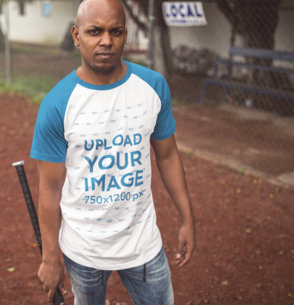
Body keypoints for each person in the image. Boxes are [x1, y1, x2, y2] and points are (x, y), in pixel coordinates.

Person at [30, 0, 195, 304]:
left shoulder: (153, 87)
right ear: (77, 36)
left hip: (143, 244)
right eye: (95, 31)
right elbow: (50, 187)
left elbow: (168, 155)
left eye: (115, 31)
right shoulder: (57, 104)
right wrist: (51, 258)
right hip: (83, 249)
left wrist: (187, 218)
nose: (106, 40)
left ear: (125, 35)